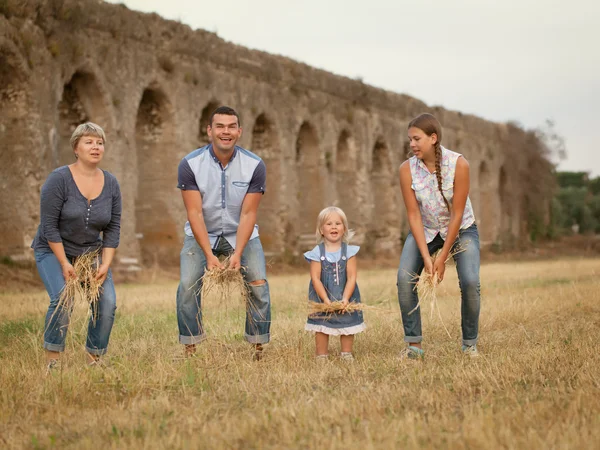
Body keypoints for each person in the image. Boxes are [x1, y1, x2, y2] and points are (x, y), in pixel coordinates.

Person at [176, 106, 270, 359]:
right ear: (209, 131)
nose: (225, 132)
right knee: (187, 284)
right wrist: (208, 254)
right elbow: (194, 213)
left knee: (258, 284)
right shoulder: (190, 164)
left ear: (239, 131)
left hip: (241, 233)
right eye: (220, 126)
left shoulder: (255, 165)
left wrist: (238, 253)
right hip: (201, 233)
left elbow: (249, 214)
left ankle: (258, 344)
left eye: (231, 127)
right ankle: (190, 344)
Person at [31, 122, 121, 372]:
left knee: (107, 302)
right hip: (53, 249)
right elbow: (49, 227)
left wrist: (105, 263)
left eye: (100, 142)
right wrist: (64, 263)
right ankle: (53, 360)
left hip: (90, 252)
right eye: (89, 142)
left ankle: (94, 359)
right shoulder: (59, 179)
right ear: (76, 148)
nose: (96, 147)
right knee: (63, 297)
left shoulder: (111, 183)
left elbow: (113, 228)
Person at [397, 113, 481, 359]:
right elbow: (413, 215)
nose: (412, 145)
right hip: (426, 229)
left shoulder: (459, 164)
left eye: (416, 139)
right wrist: (426, 257)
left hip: (461, 227)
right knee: (404, 279)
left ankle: (469, 344)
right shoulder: (406, 169)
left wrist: (442, 258)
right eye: (410, 140)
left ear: (433, 138)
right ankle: (414, 346)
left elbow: (457, 213)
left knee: (469, 281)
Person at [304, 206, 365, 361]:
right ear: (321, 230)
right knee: (322, 324)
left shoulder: (349, 252)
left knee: (347, 323)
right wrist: (325, 300)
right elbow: (315, 278)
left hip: (345, 294)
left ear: (344, 228)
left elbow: (351, 277)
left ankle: (346, 353)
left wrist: (345, 299)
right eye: (329, 224)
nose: (333, 227)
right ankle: (321, 355)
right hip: (322, 296)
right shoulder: (317, 253)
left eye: (338, 223)